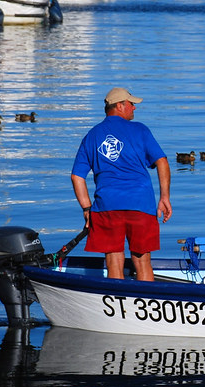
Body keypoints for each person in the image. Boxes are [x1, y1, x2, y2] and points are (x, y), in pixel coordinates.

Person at [72, 87, 172, 281]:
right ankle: (145, 298)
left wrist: (86, 208)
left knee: (113, 263)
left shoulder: (92, 135)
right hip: (140, 204)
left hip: (107, 206)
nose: (134, 108)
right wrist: (165, 197)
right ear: (119, 106)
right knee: (142, 262)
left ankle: (117, 299)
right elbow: (162, 162)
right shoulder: (140, 130)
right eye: (131, 104)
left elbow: (77, 176)